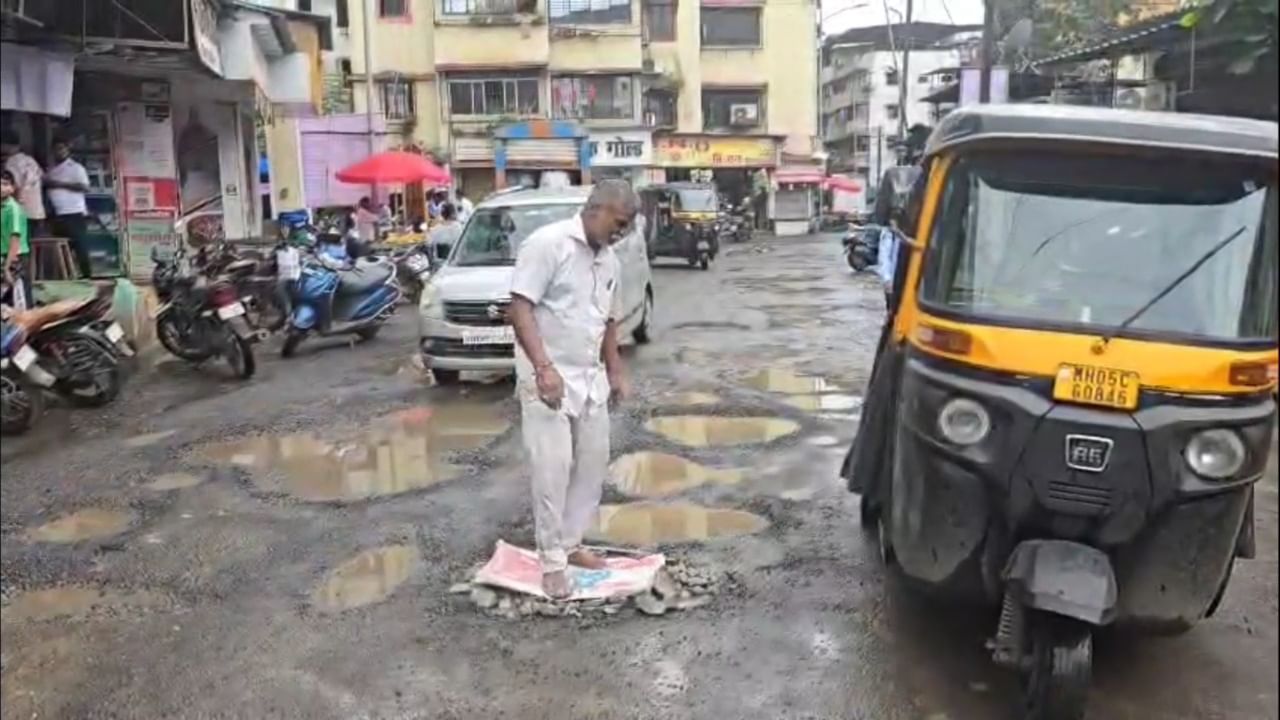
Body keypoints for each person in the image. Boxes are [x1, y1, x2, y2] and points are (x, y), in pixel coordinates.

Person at [508, 180, 636, 599]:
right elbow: (520, 306)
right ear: (596, 209)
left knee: (593, 463)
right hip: (546, 375)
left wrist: (615, 370)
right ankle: (551, 562)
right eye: (619, 223)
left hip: (588, 374)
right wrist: (543, 368)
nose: (623, 232)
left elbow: (609, 320)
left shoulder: (609, 259)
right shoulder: (549, 244)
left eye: (629, 226)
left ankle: (571, 542)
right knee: (553, 468)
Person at [44, 137, 92, 276]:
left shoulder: (76, 168)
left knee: (80, 246)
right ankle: (67, 276)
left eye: (61, 149)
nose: (59, 152)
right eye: (56, 149)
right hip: (58, 214)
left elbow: (85, 187)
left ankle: (87, 276)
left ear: (67, 150)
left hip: (75, 212)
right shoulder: (51, 169)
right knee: (63, 248)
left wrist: (60, 184)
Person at [1, 129, 45, 237]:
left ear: (6, 145)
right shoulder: (31, 161)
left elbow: (14, 187)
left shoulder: (12, 163)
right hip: (36, 212)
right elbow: (41, 177)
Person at [2, 170, 31, 310]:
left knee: (19, 298)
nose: (1, 188)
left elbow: (15, 239)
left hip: (15, 257)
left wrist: (7, 268)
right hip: (3, 256)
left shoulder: (13, 209)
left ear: (12, 188)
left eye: (5, 184)